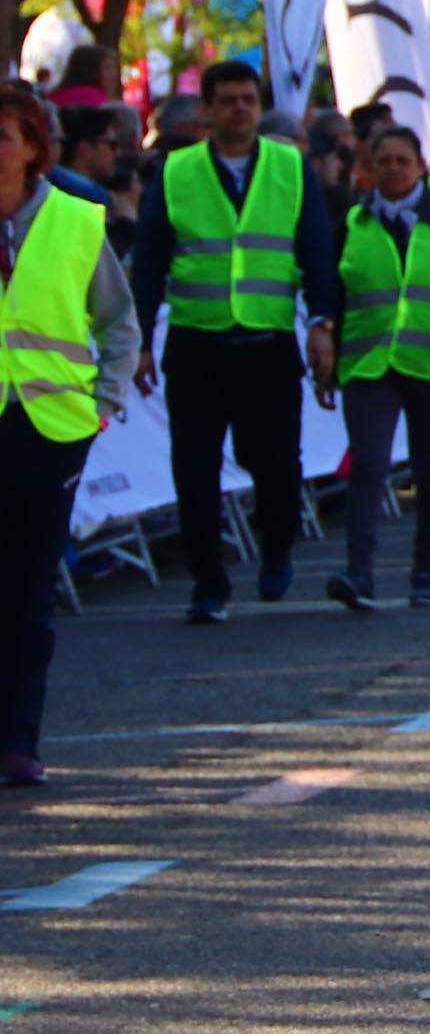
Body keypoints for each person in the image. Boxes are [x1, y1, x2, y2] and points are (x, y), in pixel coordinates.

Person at [129, 60, 344, 624]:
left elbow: (317, 254)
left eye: (248, 98)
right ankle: (209, 584)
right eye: (226, 100)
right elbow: (149, 261)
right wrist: (140, 340)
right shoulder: (176, 172)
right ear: (206, 109)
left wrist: (323, 323)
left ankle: (276, 548)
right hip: (197, 345)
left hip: (267, 343)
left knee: (275, 463)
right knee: (194, 469)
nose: (240, 109)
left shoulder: (290, 168)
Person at [0, 79, 140, 785]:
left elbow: (119, 322)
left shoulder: (76, 221)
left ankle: (18, 740)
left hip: (48, 427)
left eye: (1, 137)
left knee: (27, 590)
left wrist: (103, 403)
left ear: (31, 148)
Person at [323, 124, 430, 611]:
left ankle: (425, 572)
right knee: (370, 464)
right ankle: (360, 574)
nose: (394, 169)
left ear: (421, 167)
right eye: (384, 161)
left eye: (403, 160)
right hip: (368, 364)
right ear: (370, 168)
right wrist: (328, 357)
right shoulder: (352, 224)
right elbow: (333, 296)